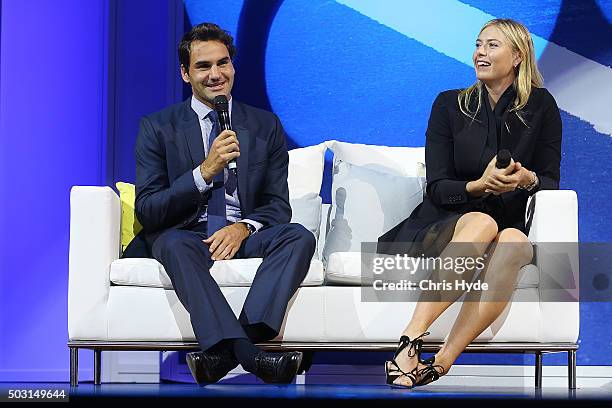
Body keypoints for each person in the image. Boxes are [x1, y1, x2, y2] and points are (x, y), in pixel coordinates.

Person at [126, 22, 316, 385]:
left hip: (239, 235)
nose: (216, 74)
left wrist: (244, 228)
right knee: (171, 243)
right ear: (185, 73)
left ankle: (227, 351)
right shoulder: (157, 127)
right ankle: (251, 355)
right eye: (203, 66)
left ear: (233, 65)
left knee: (298, 236)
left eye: (223, 63)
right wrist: (203, 172)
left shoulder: (264, 125)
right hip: (186, 233)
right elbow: (148, 210)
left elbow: (277, 206)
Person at [377, 18, 562, 388]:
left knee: (514, 242)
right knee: (482, 223)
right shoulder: (449, 105)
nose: (480, 52)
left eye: (492, 45)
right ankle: (410, 340)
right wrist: (478, 186)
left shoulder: (541, 106)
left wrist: (527, 179)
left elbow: (551, 180)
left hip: (507, 222)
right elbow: (437, 186)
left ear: (517, 57)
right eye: (479, 44)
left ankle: (442, 362)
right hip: (446, 219)